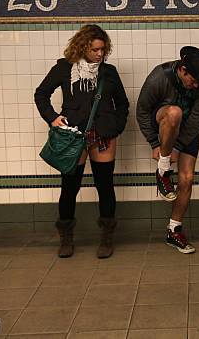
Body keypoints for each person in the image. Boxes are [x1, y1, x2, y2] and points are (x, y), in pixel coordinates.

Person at [34, 24, 129, 259]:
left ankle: (106, 238)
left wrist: (115, 127)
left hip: (103, 135)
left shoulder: (109, 72)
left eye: (103, 50)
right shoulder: (64, 68)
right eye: (95, 49)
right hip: (73, 134)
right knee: (70, 187)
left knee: (104, 186)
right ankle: (66, 237)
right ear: (83, 46)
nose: (100, 54)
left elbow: (123, 104)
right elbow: (41, 94)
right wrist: (53, 118)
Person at [136, 46, 199, 254]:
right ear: (182, 70)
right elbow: (142, 111)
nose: (196, 85)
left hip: (188, 130)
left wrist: (178, 147)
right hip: (163, 121)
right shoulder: (159, 77)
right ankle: (163, 171)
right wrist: (155, 144)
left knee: (187, 178)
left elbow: (198, 118)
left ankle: (174, 231)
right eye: (193, 80)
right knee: (174, 113)